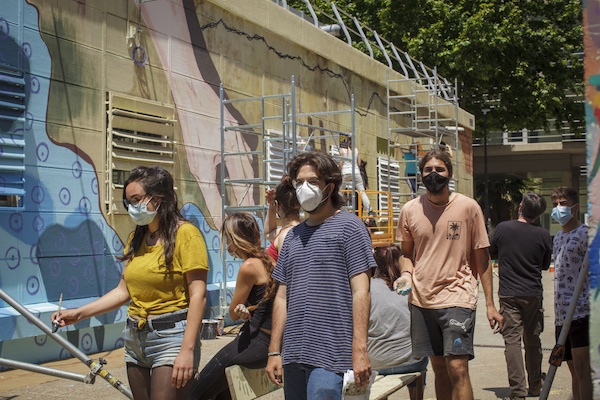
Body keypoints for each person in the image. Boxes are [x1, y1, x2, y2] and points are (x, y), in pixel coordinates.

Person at [52, 166, 209, 400]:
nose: (132, 207)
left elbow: (198, 295)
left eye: (137, 200)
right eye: (128, 202)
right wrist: (78, 314)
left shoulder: (186, 234)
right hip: (135, 338)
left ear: (158, 198)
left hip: (171, 338)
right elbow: (123, 291)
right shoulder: (137, 238)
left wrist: (187, 350)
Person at [394, 148, 503, 400]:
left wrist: (490, 304)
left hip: (458, 296)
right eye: (428, 170)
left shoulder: (468, 207)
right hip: (422, 300)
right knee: (439, 368)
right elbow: (405, 253)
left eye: (439, 169)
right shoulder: (409, 210)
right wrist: (406, 274)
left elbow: (482, 257)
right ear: (421, 175)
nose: (433, 174)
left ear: (450, 174)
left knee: (457, 367)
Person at [265, 150, 375, 399]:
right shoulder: (291, 237)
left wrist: (360, 349)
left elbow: (361, 291)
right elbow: (281, 297)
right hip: (294, 355)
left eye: (313, 181)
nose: (304, 188)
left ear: (330, 187)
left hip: (332, 356)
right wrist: (274, 351)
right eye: (299, 182)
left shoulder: (350, 228)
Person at [188, 213, 276, 400]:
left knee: (197, 392)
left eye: (228, 238)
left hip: (255, 341)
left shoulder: (249, 267)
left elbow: (233, 314)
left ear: (236, 239)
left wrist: (240, 310)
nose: (227, 244)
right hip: (267, 343)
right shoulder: (268, 260)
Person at [489, 193, 552, 400]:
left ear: (520, 206)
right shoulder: (543, 235)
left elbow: (491, 252)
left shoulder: (503, 229)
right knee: (533, 340)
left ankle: (517, 392)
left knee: (512, 342)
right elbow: (545, 265)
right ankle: (535, 385)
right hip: (533, 293)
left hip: (509, 294)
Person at [368, 244, 428, 400]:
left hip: (376, 363)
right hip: (411, 362)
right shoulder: (411, 287)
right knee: (421, 354)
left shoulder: (367, 288)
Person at [550, 187, 592, 400]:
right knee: (573, 369)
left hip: (581, 312)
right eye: (555, 203)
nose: (558, 207)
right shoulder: (557, 237)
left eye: (563, 203)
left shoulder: (586, 234)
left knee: (583, 369)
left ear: (575, 207)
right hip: (561, 315)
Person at [264, 175, 301, 262]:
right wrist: (272, 205)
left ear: (277, 205)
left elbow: (285, 269)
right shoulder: (297, 230)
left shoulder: (285, 235)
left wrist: (272, 206)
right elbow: (268, 233)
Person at [338, 136, 374, 216]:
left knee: (341, 191)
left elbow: (341, 164)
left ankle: (337, 207)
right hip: (356, 172)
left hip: (346, 172)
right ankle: (370, 210)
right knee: (362, 192)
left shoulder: (342, 150)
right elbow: (359, 163)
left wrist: (339, 170)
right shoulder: (356, 150)